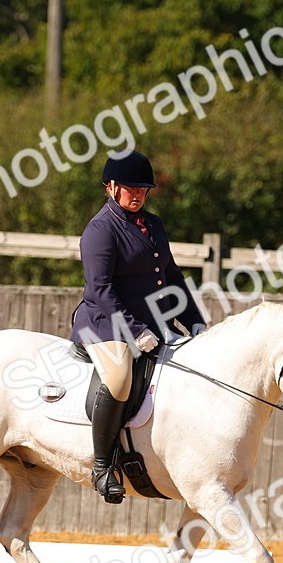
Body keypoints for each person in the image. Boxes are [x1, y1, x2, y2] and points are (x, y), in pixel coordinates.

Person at [70, 150, 207, 502]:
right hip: (104, 324)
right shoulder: (101, 229)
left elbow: (171, 278)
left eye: (143, 189)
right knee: (119, 377)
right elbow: (100, 289)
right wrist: (134, 330)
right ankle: (102, 466)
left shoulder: (153, 224)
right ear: (111, 187)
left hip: (152, 324)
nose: (138, 195)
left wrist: (194, 321)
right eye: (131, 188)